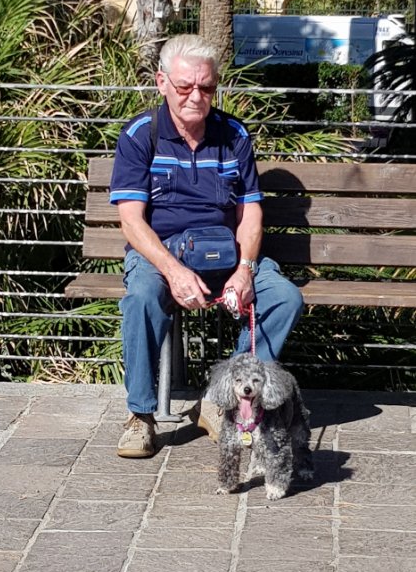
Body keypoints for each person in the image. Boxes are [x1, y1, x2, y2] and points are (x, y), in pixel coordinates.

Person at [110, 34, 303, 457]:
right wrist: (173, 271)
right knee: (142, 298)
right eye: (185, 87)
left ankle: (219, 400)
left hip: (227, 255)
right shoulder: (141, 134)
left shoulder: (234, 134)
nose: (196, 97)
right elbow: (131, 221)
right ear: (161, 82)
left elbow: (250, 213)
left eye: (207, 87)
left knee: (284, 298)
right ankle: (140, 416)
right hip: (160, 254)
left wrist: (246, 269)